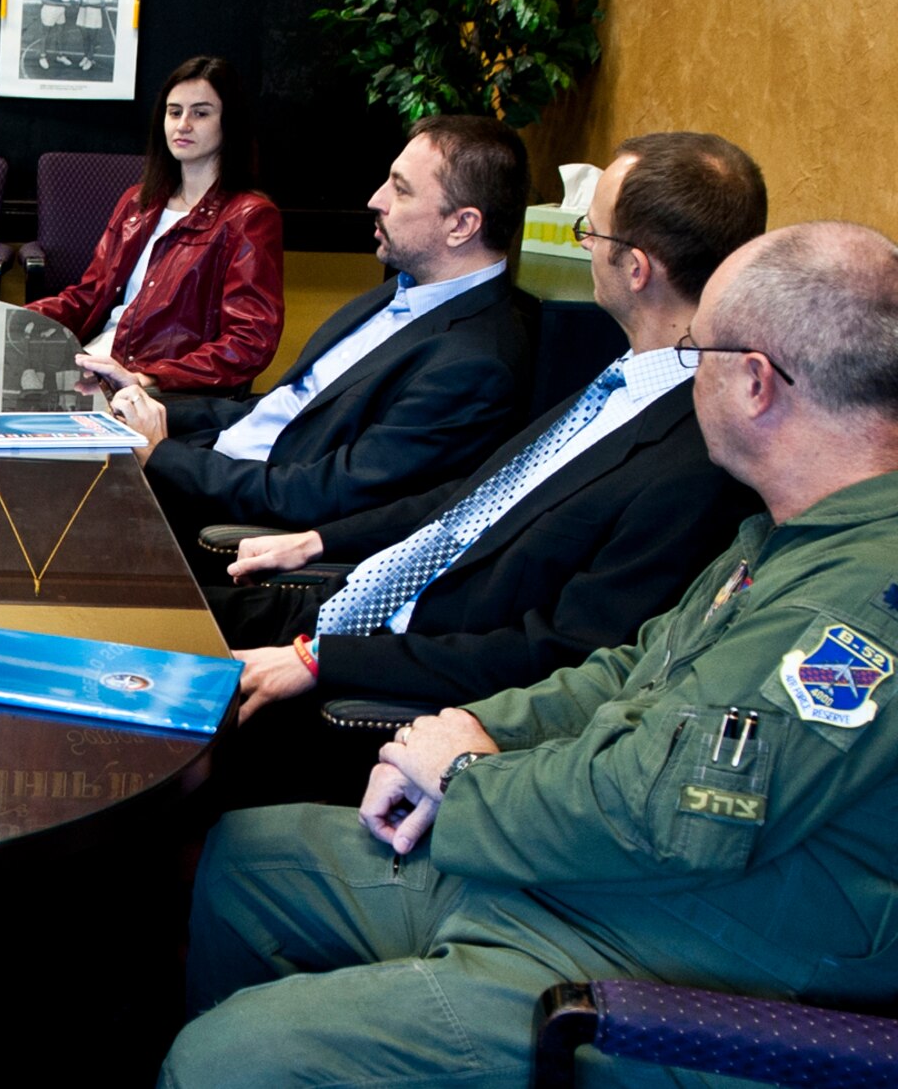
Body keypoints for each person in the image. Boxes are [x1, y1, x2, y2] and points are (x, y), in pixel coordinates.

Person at [165, 221, 898, 1089]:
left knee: (224, 1060)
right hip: (587, 877)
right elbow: (628, 669)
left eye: (700, 347)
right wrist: (468, 724)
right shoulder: (786, 533)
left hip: (674, 957)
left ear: (754, 383)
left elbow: (667, 813)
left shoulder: (854, 602)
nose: (686, 365)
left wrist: (470, 780)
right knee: (246, 863)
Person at [223, 132, 769, 738]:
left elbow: (559, 654)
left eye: (589, 233)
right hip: (348, 607)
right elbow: (473, 504)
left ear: (636, 270)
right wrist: (321, 541)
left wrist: (322, 660)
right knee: (121, 616)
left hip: (394, 681)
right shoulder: (622, 381)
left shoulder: (695, 464)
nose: (583, 246)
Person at [114, 114, 532, 534]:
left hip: (233, 517)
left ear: (461, 225)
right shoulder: (401, 291)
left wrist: (161, 455)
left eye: (401, 190)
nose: (376, 199)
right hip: (208, 464)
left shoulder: (473, 367)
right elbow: (272, 411)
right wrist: (141, 399)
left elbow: (319, 495)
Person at [25, 55, 285, 395]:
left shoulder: (250, 216)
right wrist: (16, 319)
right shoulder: (138, 203)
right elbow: (90, 295)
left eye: (201, 113)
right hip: (95, 367)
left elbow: (249, 342)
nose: (183, 124)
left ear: (229, 123)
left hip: (159, 391)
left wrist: (151, 379)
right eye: (174, 112)